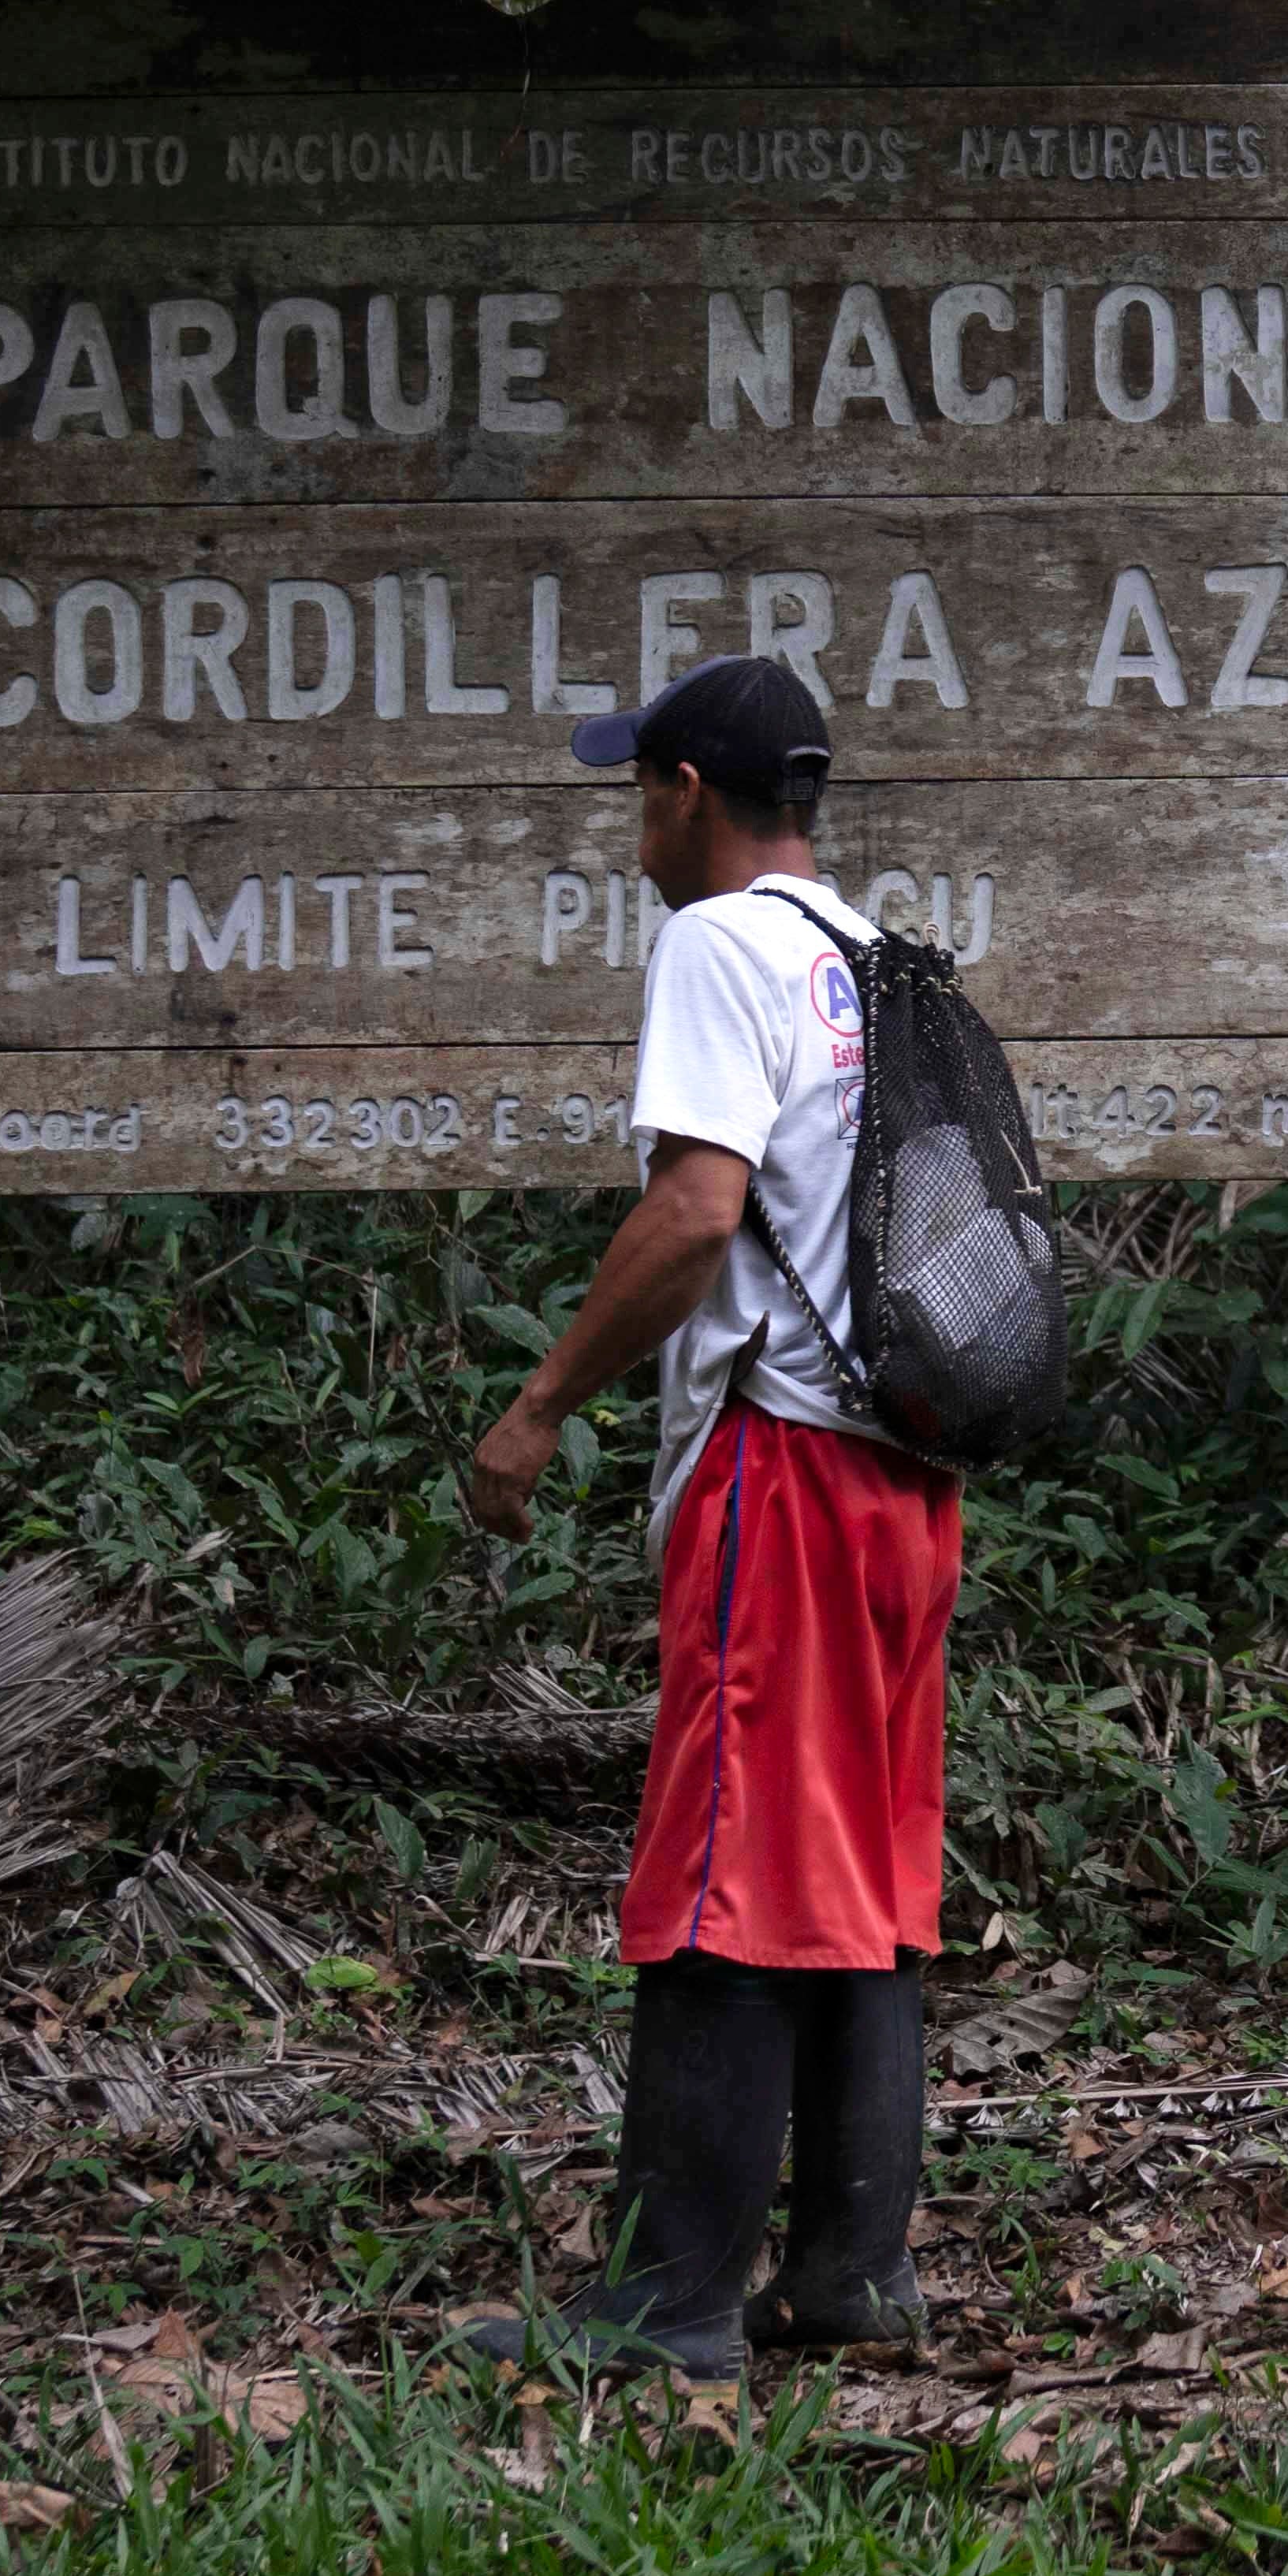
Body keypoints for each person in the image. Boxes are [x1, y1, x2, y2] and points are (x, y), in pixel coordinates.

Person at [456, 657, 953, 2379]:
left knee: (727, 1859)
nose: (632, 825)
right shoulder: (867, 955)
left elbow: (694, 1210)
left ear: (684, 791)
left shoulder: (716, 944)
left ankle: (668, 2304)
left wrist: (539, 1405)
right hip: (907, 1475)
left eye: (636, 789)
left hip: (785, 1469)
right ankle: (849, 2275)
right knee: (866, 1867)